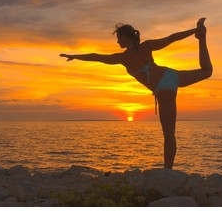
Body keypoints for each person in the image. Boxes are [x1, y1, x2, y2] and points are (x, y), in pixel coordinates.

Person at [60, 18, 212, 169]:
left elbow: (96, 56)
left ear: (126, 36)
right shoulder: (145, 47)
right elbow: (171, 38)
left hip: (163, 88)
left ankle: (168, 172)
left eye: (118, 37)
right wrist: (195, 31)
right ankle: (201, 37)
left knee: (169, 134)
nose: (117, 42)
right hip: (171, 75)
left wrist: (75, 56)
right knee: (207, 71)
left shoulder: (123, 58)